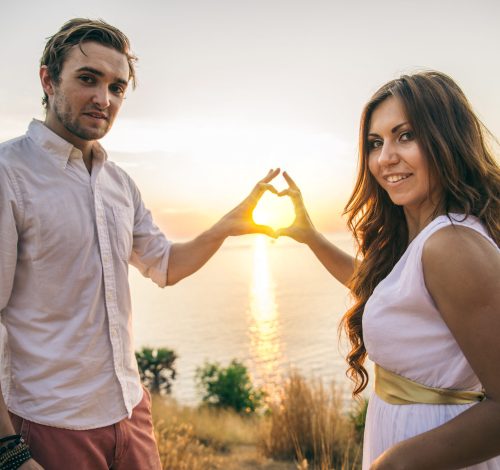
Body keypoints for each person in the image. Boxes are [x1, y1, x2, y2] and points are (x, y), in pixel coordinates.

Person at [0, 18, 279, 469]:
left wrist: (226, 225)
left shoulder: (119, 184)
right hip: (51, 425)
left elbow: (165, 265)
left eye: (117, 87)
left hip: (131, 415)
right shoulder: (8, 174)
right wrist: (7, 453)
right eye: (88, 80)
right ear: (48, 80)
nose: (103, 99)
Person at [277, 71, 500, 469]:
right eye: (375, 143)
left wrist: (395, 462)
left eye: (406, 136)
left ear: (446, 139)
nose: (385, 158)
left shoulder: (452, 244)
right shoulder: (426, 239)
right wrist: (311, 237)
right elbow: (392, 297)